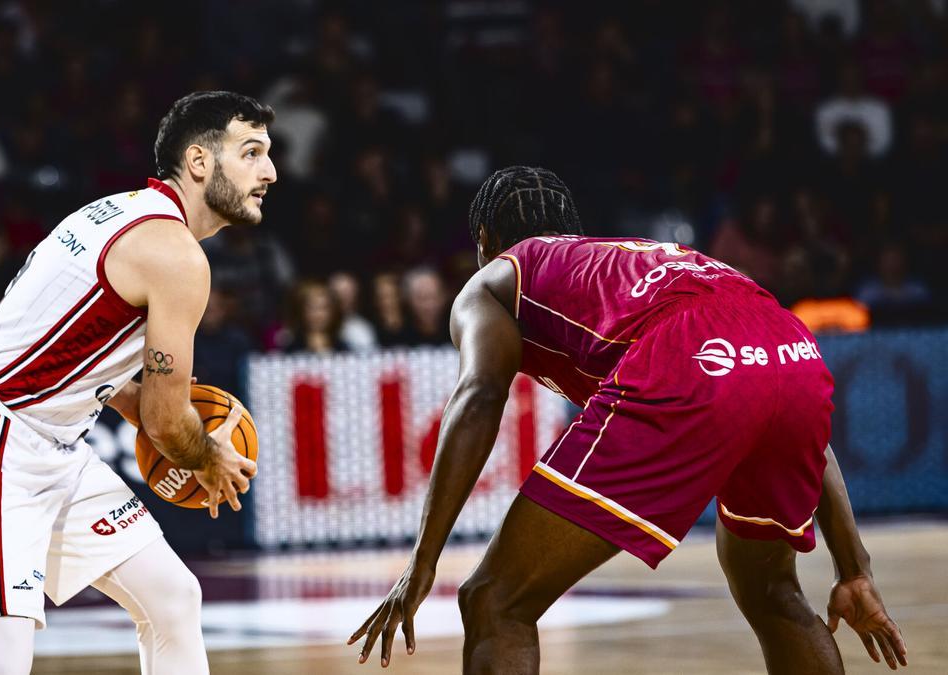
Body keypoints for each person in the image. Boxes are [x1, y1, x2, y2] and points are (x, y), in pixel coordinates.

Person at [350, 167, 907, 673]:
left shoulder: (497, 277)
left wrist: (423, 562)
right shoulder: (637, 257)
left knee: (496, 599)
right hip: (791, 352)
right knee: (773, 592)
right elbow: (807, 435)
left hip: (693, 358)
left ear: (486, 243)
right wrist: (854, 568)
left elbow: (478, 396)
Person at [0, 91, 274, 674]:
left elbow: (94, 370)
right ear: (201, 162)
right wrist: (207, 455)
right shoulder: (176, 255)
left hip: (50, 444)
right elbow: (164, 418)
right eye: (252, 152)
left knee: (172, 600)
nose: (270, 172)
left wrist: (174, 419)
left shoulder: (118, 211)